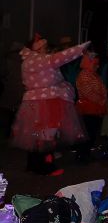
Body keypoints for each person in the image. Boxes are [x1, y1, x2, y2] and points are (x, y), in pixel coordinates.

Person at [11, 34, 89, 176]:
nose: (47, 50)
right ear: (38, 48)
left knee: (35, 134)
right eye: (45, 48)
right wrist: (81, 48)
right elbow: (64, 56)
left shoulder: (26, 61)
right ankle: (46, 167)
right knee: (47, 135)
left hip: (31, 103)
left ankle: (33, 164)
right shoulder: (43, 60)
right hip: (47, 102)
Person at [75, 52, 107, 163]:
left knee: (91, 133)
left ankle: (85, 154)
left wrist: (102, 99)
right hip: (88, 109)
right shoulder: (84, 75)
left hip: (95, 108)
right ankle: (82, 156)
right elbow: (88, 93)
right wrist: (101, 100)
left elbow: (102, 88)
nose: (97, 66)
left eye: (98, 64)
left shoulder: (93, 74)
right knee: (87, 133)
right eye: (95, 64)